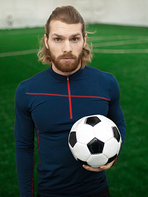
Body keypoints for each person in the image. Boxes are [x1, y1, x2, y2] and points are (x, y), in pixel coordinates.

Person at [14, 5, 126, 197]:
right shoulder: (27, 91)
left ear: (84, 40)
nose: (67, 48)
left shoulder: (106, 83)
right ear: (46, 41)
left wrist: (113, 157)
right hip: (50, 192)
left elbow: (119, 124)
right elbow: (24, 147)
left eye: (74, 38)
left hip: (97, 191)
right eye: (58, 39)